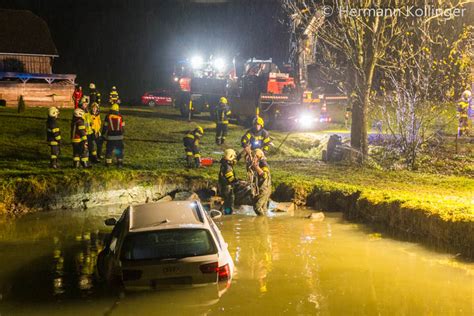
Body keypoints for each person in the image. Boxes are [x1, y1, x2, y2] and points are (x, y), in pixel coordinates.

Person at [102, 103, 125, 167]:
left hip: (110, 136)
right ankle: (119, 163)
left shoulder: (108, 116)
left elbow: (105, 126)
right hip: (119, 136)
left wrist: (103, 134)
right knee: (118, 149)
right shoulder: (120, 116)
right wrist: (122, 134)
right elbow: (122, 127)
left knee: (109, 150)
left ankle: (108, 163)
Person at [250, 149, 271, 216]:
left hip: (264, 189)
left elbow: (264, 175)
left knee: (257, 207)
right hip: (262, 188)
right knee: (263, 208)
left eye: (255, 156)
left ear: (259, 156)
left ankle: (261, 219)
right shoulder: (259, 162)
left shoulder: (263, 163)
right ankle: (264, 223)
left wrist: (256, 167)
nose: (253, 158)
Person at [218, 149, 238, 215]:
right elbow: (230, 179)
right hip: (227, 187)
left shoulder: (224, 163)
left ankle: (223, 212)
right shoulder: (227, 166)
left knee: (226, 202)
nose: (234, 159)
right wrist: (238, 181)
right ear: (231, 156)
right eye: (234, 157)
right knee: (229, 203)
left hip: (223, 186)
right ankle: (227, 215)